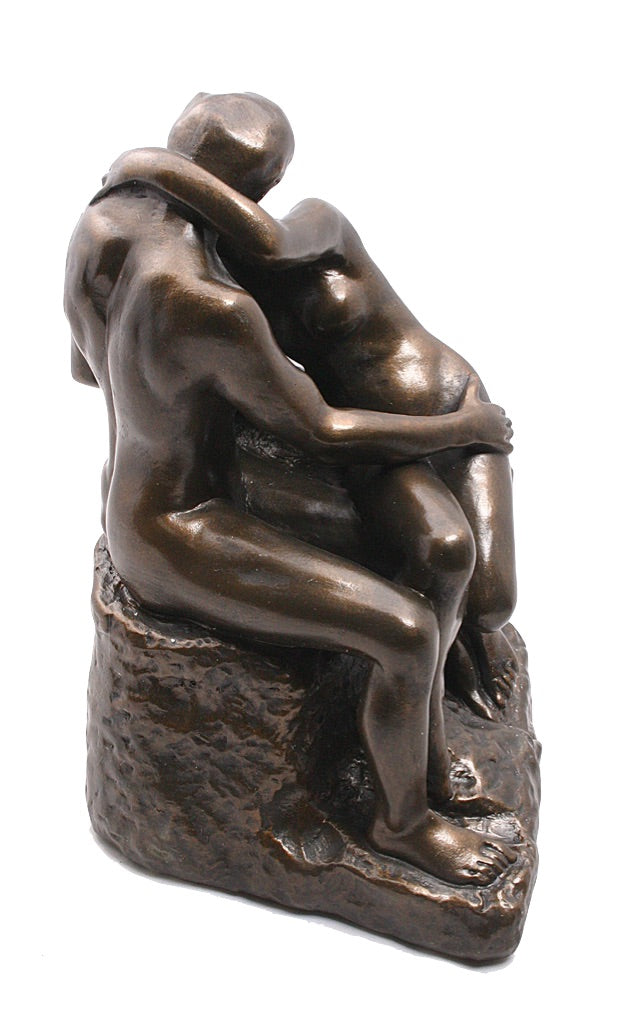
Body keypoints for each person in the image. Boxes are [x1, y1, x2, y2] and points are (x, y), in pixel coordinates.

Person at [67, 93, 516, 884]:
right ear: (258, 191)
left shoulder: (99, 228)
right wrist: (459, 430)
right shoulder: (215, 304)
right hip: (181, 526)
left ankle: (425, 740)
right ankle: (402, 824)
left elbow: (82, 368)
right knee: (406, 631)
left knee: (437, 549)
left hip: (149, 487)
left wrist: (185, 405)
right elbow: (324, 431)